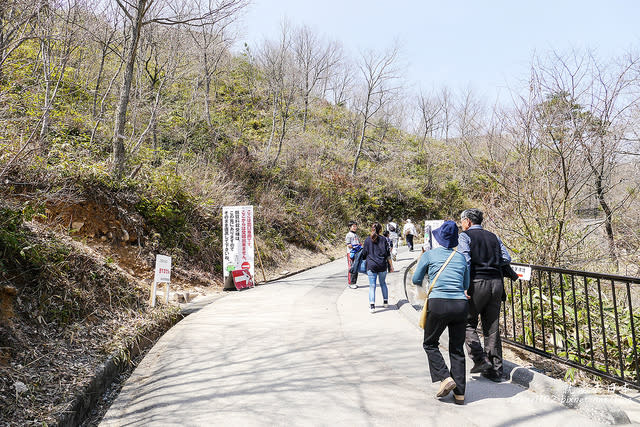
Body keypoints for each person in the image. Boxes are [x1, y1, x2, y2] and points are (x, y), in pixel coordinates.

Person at [412, 220, 470, 405]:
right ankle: (460, 394)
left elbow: (415, 278)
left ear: (439, 238)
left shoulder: (429, 255)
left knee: (430, 343)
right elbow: (466, 285)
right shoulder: (460, 257)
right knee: (457, 348)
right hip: (460, 305)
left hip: (438, 304)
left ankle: (445, 377)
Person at [458, 208, 512, 382]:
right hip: (496, 284)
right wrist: (491, 262)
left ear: (467, 221)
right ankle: (496, 371)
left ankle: (480, 359)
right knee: (492, 328)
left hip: (476, 283)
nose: (461, 224)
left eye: (462, 221)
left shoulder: (465, 237)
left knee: (466, 322)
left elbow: (464, 260)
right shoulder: (493, 236)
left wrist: (464, 285)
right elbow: (506, 258)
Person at [361, 222, 391, 313]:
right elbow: (387, 254)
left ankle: (372, 306)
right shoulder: (384, 239)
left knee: (372, 286)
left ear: (372, 229)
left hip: (371, 265)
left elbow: (364, 254)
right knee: (383, 283)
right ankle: (385, 302)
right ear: (380, 230)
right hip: (382, 265)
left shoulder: (367, 240)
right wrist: (391, 266)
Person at [345, 221, 361, 289]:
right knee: (351, 267)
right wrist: (354, 247)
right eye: (353, 226)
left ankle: (354, 282)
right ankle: (350, 283)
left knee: (356, 267)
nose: (355, 228)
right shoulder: (349, 235)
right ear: (349, 227)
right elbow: (348, 244)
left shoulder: (356, 235)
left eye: (355, 226)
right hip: (351, 253)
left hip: (357, 253)